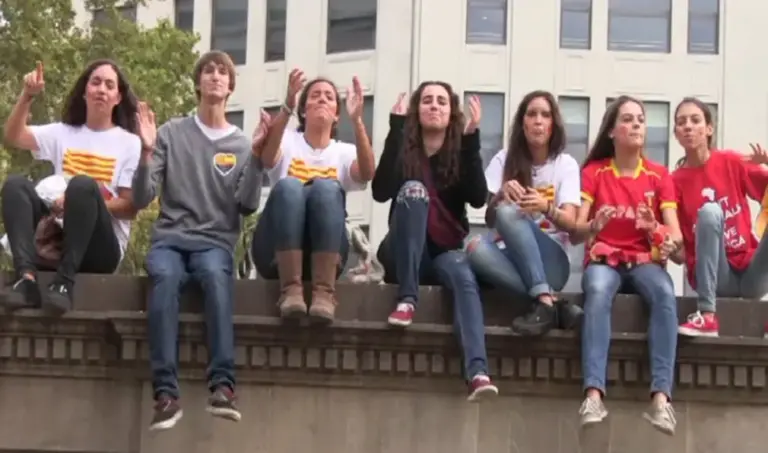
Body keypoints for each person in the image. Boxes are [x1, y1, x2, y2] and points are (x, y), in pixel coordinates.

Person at [132, 51, 266, 431]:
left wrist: (255, 158)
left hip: (214, 243)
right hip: (171, 239)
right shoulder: (172, 133)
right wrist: (145, 151)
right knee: (165, 279)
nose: (215, 76)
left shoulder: (240, 143)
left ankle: (223, 386)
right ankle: (165, 395)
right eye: (208, 70)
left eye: (223, 71)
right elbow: (142, 197)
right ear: (198, 83)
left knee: (215, 277)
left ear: (230, 87)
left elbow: (248, 205)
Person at [373, 83, 497, 402]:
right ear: (417, 111)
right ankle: (408, 300)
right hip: (401, 252)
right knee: (413, 189)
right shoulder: (405, 149)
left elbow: (478, 197)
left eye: (442, 101)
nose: (434, 106)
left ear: (451, 112)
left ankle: (478, 372)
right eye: (427, 100)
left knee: (464, 276)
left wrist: (471, 141)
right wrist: (395, 129)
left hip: (443, 252)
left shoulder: (458, 154)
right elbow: (380, 190)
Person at [573, 96, 681, 435]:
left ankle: (661, 400)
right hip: (605, 260)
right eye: (627, 120)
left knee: (665, 293)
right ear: (611, 131)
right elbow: (577, 232)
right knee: (598, 290)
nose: (635, 125)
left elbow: (675, 240)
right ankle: (593, 394)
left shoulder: (659, 175)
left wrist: (654, 229)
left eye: (640, 120)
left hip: (645, 262)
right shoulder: (594, 173)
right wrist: (593, 226)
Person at [0, 60, 141, 314]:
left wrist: (78, 203)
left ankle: (64, 283)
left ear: (117, 97)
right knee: (15, 185)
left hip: (100, 250)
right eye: (95, 82)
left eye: (109, 85)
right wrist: (27, 96)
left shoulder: (129, 143)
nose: (101, 89)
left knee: (82, 186)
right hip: (56, 237)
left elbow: (129, 207)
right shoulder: (62, 133)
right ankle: (26, 278)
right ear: (85, 91)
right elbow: (12, 136)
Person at [251, 71, 375, 324]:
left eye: (329, 97)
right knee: (289, 187)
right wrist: (287, 105)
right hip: (275, 252)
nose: (321, 99)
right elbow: (266, 159)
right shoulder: (286, 140)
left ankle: (323, 295)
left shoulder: (344, 151)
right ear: (304, 110)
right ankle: (291, 291)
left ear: (336, 114)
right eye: (314, 95)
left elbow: (367, 172)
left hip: (325, 256)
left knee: (327, 189)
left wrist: (358, 120)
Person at [466, 90, 583, 336]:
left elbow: (571, 224)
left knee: (510, 213)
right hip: (511, 257)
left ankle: (544, 297)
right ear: (523, 123)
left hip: (552, 260)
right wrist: (500, 196)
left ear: (553, 124)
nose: (538, 121)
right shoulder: (504, 159)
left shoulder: (566, 164)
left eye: (545, 115)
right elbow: (489, 218)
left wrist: (546, 208)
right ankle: (549, 301)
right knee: (474, 247)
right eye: (531, 114)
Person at [671, 97, 768, 338]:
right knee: (710, 211)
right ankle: (706, 316)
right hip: (715, 279)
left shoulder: (731, 162)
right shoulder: (674, 182)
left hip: (751, 274)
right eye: (681, 122)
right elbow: (679, 253)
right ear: (676, 133)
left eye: (695, 120)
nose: (688, 126)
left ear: (709, 129)